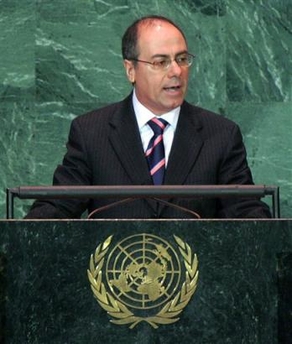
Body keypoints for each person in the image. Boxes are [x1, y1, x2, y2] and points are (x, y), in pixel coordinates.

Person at [25, 15, 271, 219]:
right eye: (160, 62)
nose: (176, 71)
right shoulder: (91, 132)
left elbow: (246, 212)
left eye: (182, 59)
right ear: (130, 70)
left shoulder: (221, 135)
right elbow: (58, 207)